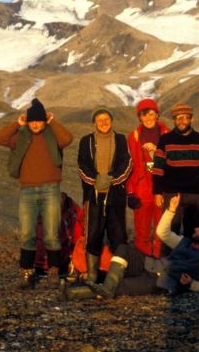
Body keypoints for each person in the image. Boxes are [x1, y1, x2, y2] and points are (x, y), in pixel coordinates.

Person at [63, 194, 199, 300]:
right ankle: (105, 288)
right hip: (149, 264)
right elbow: (162, 232)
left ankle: (72, 293)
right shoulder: (184, 242)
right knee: (123, 249)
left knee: (119, 286)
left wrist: (191, 284)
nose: (196, 229)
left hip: (158, 282)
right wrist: (171, 210)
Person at [0, 98, 74, 289]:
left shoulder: (52, 136)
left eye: (39, 120)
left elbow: (68, 139)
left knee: (51, 233)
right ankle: (27, 272)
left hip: (51, 189)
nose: (36, 124)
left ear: (44, 120)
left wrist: (52, 121)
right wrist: (17, 123)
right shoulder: (20, 136)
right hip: (27, 190)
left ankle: (54, 271)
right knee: (26, 233)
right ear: (28, 121)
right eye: (33, 120)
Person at [77, 107, 133, 285]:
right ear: (94, 123)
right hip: (93, 195)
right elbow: (82, 165)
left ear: (112, 121)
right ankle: (92, 274)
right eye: (99, 120)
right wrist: (96, 180)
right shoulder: (86, 141)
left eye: (106, 119)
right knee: (93, 233)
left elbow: (127, 163)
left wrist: (112, 180)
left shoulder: (120, 139)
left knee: (118, 234)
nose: (103, 122)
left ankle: (117, 275)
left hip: (116, 195)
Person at [151, 103, 199, 252]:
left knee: (192, 233)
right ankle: (168, 267)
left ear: (192, 119)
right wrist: (157, 192)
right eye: (178, 118)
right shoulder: (165, 139)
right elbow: (158, 168)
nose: (181, 121)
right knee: (169, 231)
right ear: (174, 120)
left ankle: (189, 267)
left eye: (185, 118)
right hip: (171, 193)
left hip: (194, 194)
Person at [126, 98, 171, 259]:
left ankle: (159, 263)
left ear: (157, 115)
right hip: (142, 190)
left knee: (162, 230)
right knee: (142, 231)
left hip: (163, 189)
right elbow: (130, 166)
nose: (148, 118)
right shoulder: (134, 137)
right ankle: (143, 264)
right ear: (139, 117)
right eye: (144, 115)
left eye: (151, 114)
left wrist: (156, 150)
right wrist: (130, 192)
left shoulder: (168, 135)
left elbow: (173, 162)